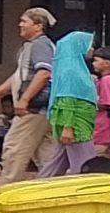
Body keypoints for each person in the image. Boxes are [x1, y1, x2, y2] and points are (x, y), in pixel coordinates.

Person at [0, 7, 59, 182]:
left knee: (14, 148)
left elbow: (44, 73)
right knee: (46, 154)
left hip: (33, 109)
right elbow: (19, 76)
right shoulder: (31, 46)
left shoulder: (40, 45)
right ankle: (51, 188)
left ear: (38, 26)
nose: (20, 24)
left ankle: (8, 188)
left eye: (24, 21)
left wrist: (24, 99)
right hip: (42, 110)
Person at [36, 29, 99, 177]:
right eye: (88, 45)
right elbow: (68, 99)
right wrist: (68, 127)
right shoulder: (72, 70)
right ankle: (84, 188)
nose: (92, 49)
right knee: (84, 163)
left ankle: (42, 185)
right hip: (76, 124)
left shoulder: (74, 68)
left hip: (74, 122)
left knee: (56, 164)